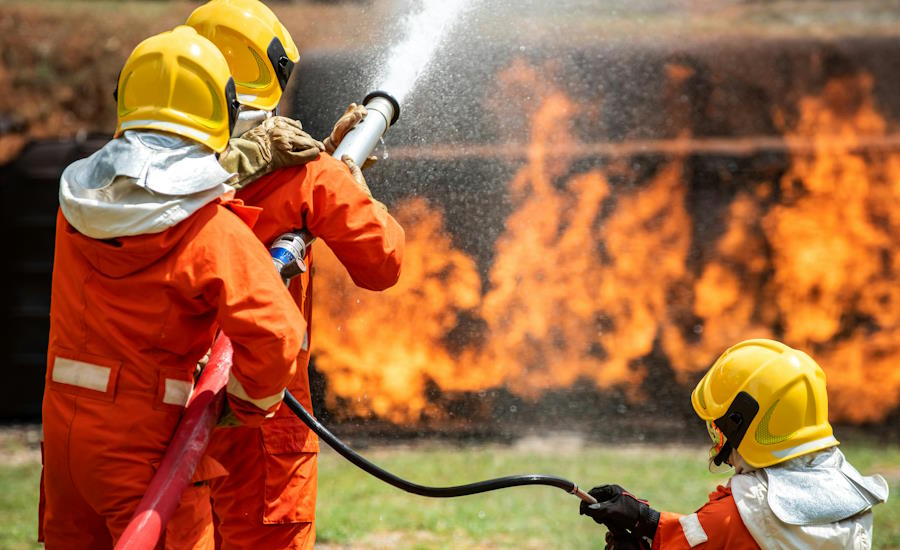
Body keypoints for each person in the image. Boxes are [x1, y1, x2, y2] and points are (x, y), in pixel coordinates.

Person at [40, 26, 305, 548]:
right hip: (149, 451)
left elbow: (142, 199)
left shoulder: (74, 205)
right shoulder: (210, 229)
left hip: (65, 442)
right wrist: (244, 403)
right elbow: (276, 333)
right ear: (224, 112)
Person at [175, 2, 406, 548]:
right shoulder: (306, 176)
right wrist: (343, 181)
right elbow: (382, 263)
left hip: (164, 411)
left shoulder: (144, 176)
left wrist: (326, 160)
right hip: (261, 418)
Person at [579, 339, 889, 549]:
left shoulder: (736, 516)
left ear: (745, 426)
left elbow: (714, 533)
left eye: (718, 431)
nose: (720, 452)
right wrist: (644, 519)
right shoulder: (846, 499)